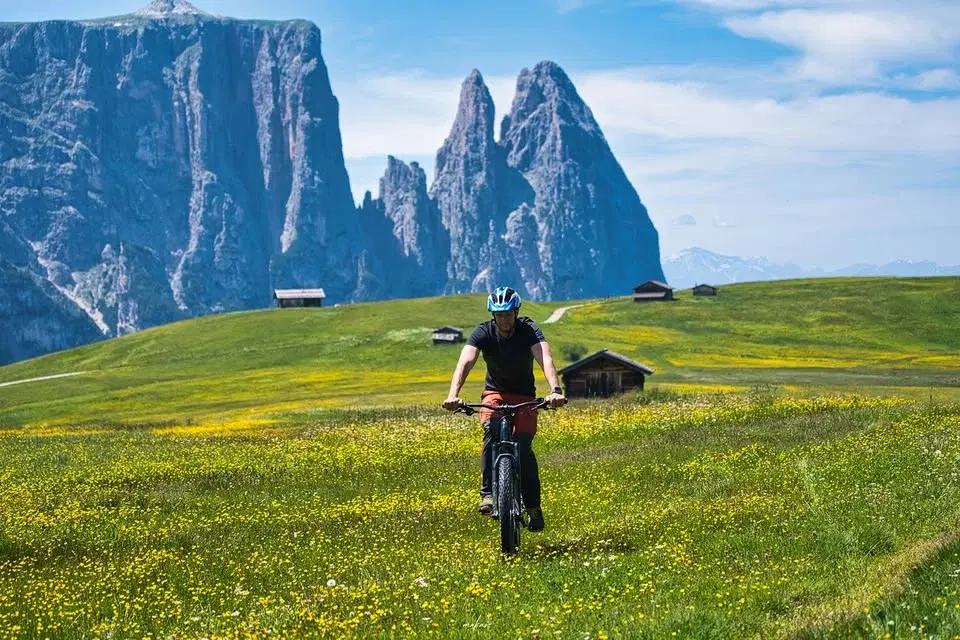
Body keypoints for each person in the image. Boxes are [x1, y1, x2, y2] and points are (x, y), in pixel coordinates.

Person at [442, 286, 567, 532]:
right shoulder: (482, 332)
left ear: (516, 312)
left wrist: (555, 390)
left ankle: (532, 507)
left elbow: (545, 358)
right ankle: (488, 494)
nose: (504, 319)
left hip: (524, 396)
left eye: (508, 314)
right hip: (494, 394)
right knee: (491, 430)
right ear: (492, 315)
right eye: (499, 315)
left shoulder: (529, 330)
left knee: (523, 447)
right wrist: (452, 395)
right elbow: (465, 361)